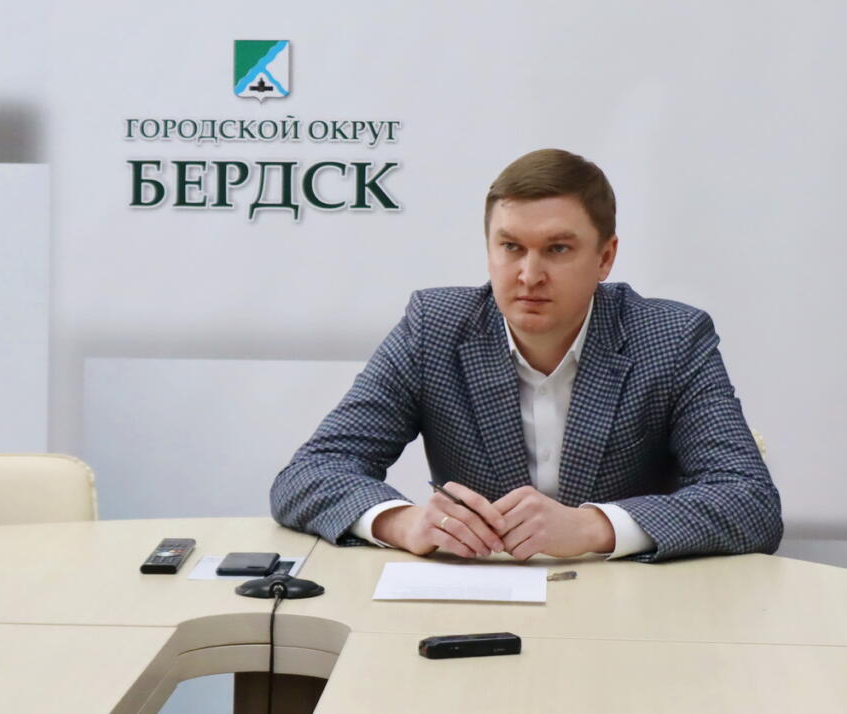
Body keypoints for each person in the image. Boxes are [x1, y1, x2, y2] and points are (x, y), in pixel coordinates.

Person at [270, 148, 783, 562]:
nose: (529, 275)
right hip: (474, 604)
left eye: (558, 249)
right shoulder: (435, 329)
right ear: (489, 250)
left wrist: (592, 527)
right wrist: (404, 523)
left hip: (629, 608)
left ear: (605, 257)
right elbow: (309, 474)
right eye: (511, 247)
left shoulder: (671, 338)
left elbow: (750, 501)